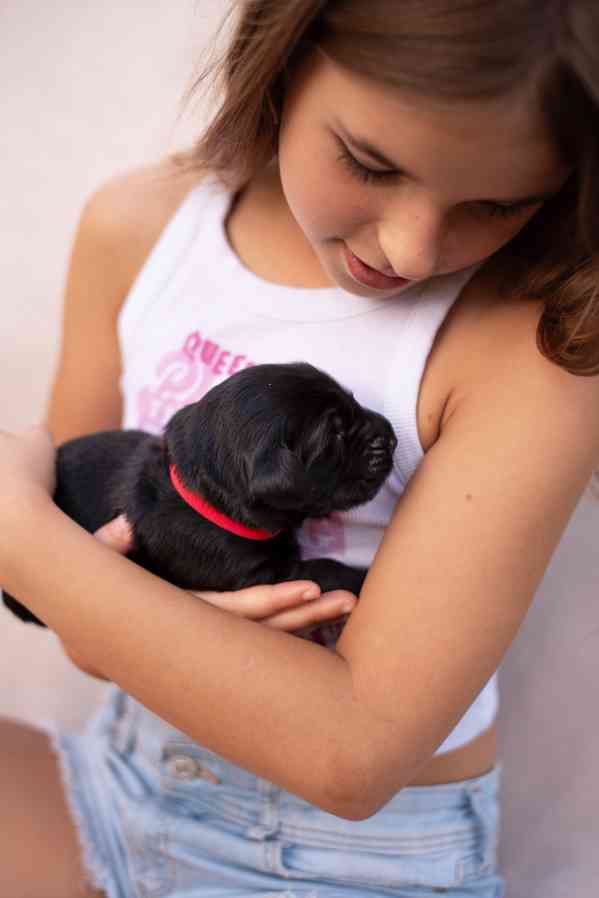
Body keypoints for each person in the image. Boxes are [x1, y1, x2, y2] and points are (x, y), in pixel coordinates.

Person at [1, 2, 599, 896]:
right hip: (118, 773)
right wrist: (67, 583)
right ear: (280, 57)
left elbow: (353, 755)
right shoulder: (139, 226)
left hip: (347, 863)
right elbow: (68, 620)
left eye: (494, 203)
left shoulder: (534, 348)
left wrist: (21, 536)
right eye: (368, 163)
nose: (410, 246)